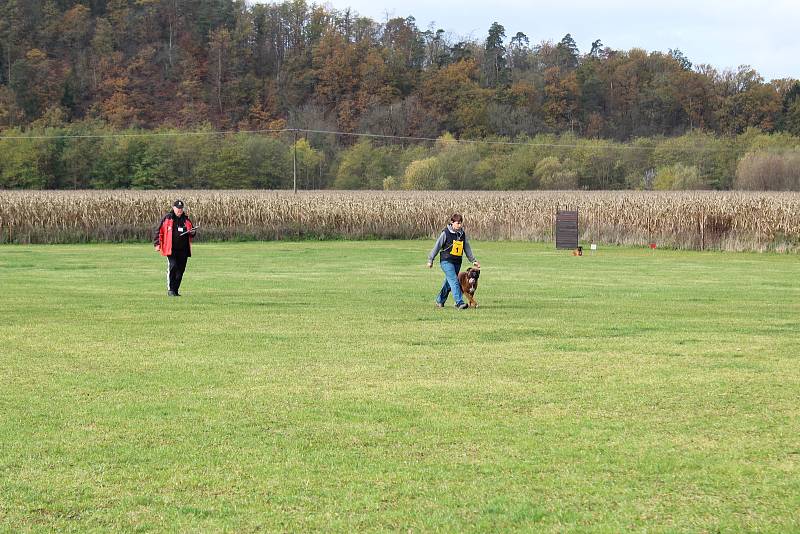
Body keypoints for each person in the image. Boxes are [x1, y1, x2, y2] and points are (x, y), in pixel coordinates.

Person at [427, 213, 480, 309]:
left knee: (448, 284)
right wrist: (431, 259)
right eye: (457, 223)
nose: (459, 225)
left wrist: (473, 260)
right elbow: (437, 246)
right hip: (446, 261)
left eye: (460, 223)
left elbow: (467, 247)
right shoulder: (445, 233)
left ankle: (440, 300)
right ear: (452, 223)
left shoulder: (462, 234)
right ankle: (459, 302)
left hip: (457, 262)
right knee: (455, 281)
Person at [154, 199, 196, 296]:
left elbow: (192, 231)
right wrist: (157, 244)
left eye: (181, 208)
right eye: (178, 208)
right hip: (171, 249)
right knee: (173, 267)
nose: (179, 210)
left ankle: (176, 290)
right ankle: (170, 290)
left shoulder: (186, 219)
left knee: (180, 271)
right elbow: (159, 231)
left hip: (183, 250)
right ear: (174, 208)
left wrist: (193, 232)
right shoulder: (167, 218)